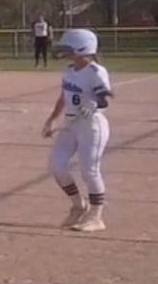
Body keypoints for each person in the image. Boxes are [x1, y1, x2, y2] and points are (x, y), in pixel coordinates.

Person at [42, 28, 112, 233]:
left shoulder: (96, 71)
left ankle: (96, 217)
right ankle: (78, 205)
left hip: (92, 125)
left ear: (82, 48)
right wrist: (52, 119)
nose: (64, 51)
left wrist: (94, 104)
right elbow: (64, 96)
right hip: (71, 124)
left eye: (68, 47)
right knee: (57, 165)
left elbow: (104, 99)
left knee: (89, 171)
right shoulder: (70, 70)